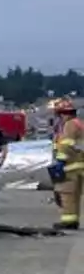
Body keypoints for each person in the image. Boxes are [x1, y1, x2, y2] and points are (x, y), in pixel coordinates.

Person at [51, 98, 84, 230]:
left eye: (60, 115)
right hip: (78, 164)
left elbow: (66, 145)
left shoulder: (69, 125)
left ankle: (69, 221)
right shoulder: (79, 123)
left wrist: (60, 161)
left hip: (70, 166)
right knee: (74, 195)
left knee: (67, 194)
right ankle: (73, 220)